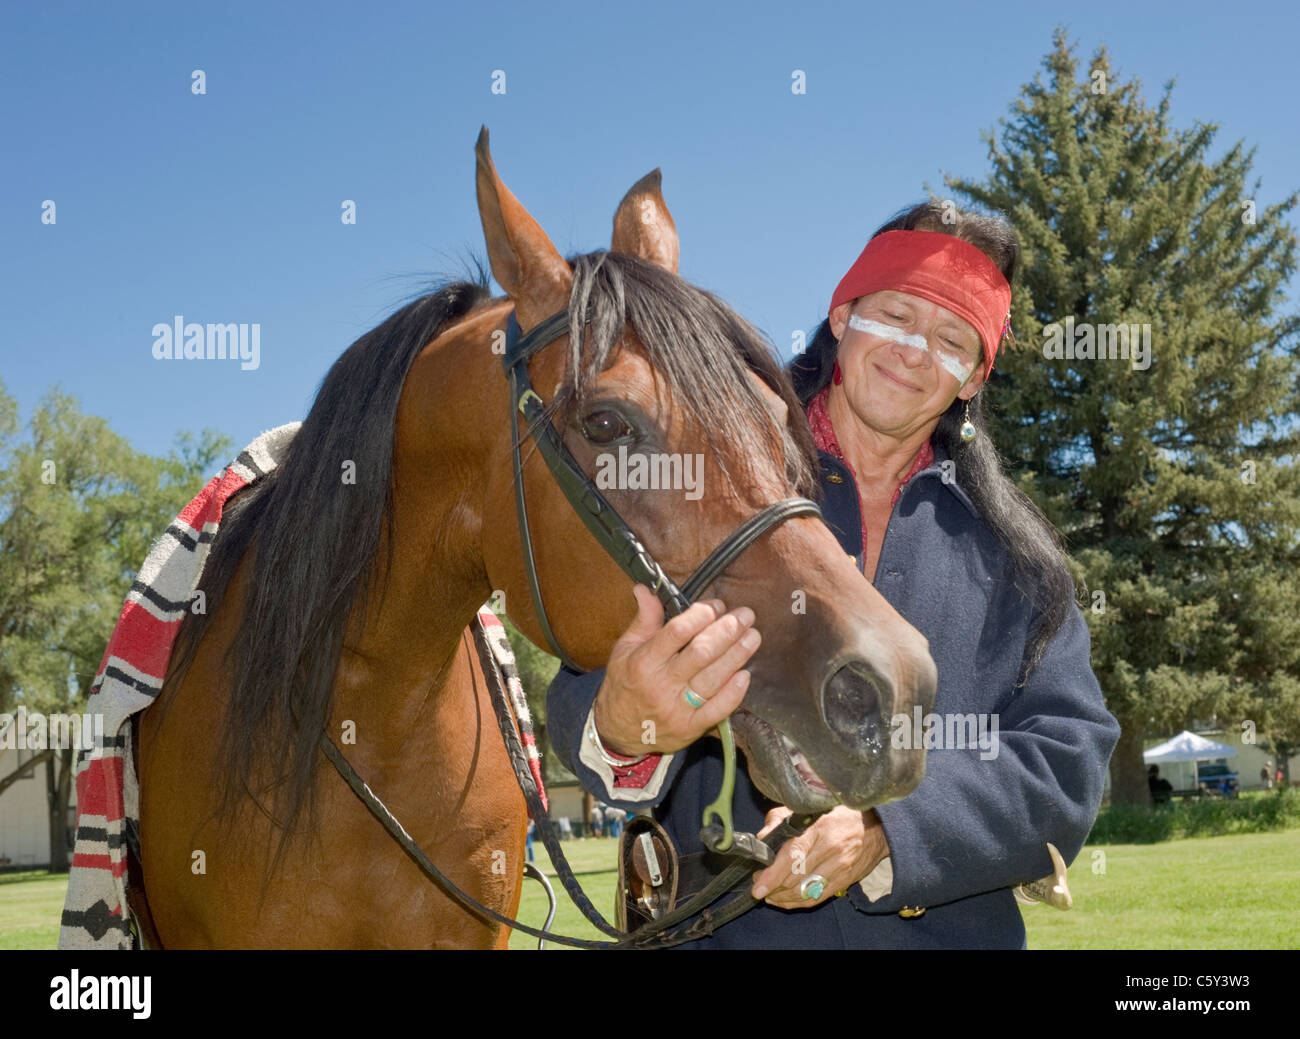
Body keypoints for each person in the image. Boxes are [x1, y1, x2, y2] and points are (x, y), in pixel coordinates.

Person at [547, 201, 1121, 949]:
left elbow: (1068, 756)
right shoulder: (700, 476)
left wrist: (891, 829)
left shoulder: (1020, 557)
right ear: (844, 314)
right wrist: (621, 726)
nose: (917, 351)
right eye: (897, 314)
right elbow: (584, 665)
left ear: (975, 377)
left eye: (953, 338)